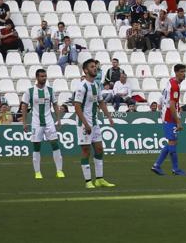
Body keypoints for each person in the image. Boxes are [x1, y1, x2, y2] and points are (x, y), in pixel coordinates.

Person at [72, 58, 116, 188]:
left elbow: (101, 102)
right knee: (86, 151)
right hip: (84, 123)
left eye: (95, 66)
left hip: (95, 122)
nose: (94, 68)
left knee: (99, 149)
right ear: (85, 70)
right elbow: (77, 106)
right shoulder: (82, 86)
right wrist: (85, 124)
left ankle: (99, 179)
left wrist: (109, 116)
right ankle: (88, 181)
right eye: (91, 67)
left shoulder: (96, 85)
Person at [21, 68, 65, 179]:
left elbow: (55, 104)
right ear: (37, 77)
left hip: (49, 121)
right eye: (42, 76)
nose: (44, 78)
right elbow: (24, 106)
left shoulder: (50, 90)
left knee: (55, 144)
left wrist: (58, 119)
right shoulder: (30, 91)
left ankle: (59, 171)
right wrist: (24, 122)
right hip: (36, 123)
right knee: (36, 146)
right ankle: (37, 172)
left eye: (45, 76)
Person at [152, 64, 186, 176]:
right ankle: (175, 169)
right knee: (172, 142)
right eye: (181, 72)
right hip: (170, 116)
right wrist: (178, 121)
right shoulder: (175, 86)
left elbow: (167, 100)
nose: (184, 74)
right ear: (176, 72)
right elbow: (171, 105)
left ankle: (157, 165)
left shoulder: (172, 81)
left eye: (184, 71)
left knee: (172, 142)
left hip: (167, 114)